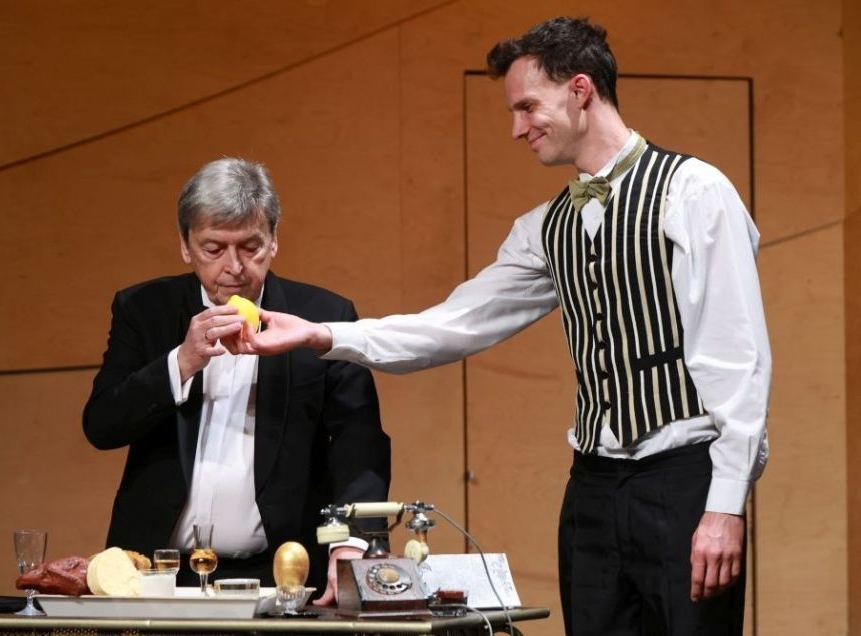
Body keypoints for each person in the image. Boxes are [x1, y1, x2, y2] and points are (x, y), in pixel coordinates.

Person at [224, 17, 771, 636]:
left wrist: (726, 504)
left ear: (581, 89)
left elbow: (737, 360)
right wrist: (322, 335)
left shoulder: (693, 192)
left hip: (685, 477)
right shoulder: (547, 227)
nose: (517, 128)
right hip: (592, 487)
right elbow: (452, 326)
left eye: (527, 107)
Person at [82, 157, 391, 604]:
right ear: (185, 246)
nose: (235, 267)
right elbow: (102, 425)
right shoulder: (143, 309)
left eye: (250, 247)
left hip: (281, 572)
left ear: (274, 240)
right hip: (157, 573)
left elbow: (358, 438)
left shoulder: (324, 316)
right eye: (213, 248)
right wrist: (181, 362)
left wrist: (353, 538)